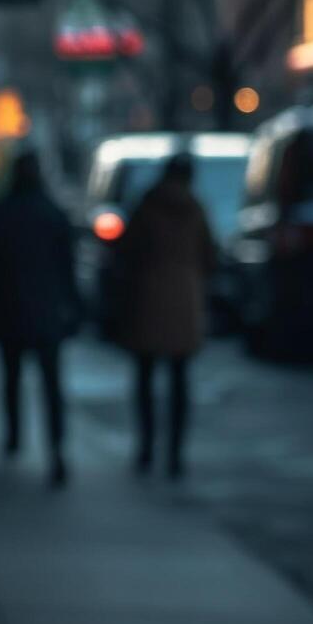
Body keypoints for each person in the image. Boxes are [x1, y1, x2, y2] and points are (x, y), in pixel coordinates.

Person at [0, 150, 82, 487]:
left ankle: (14, 436)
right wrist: (73, 308)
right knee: (51, 386)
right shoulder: (54, 214)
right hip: (46, 313)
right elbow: (68, 269)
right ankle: (56, 449)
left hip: (8, 311)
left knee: (11, 377)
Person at [112, 152, 216, 479]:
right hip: (184, 300)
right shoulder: (195, 209)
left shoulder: (147, 207)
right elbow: (210, 256)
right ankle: (175, 455)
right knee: (179, 380)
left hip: (148, 299)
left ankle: (146, 447)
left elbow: (125, 253)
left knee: (145, 378)